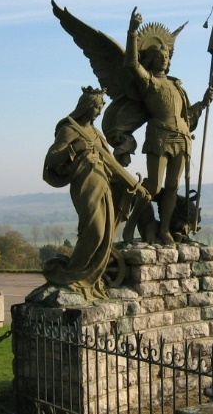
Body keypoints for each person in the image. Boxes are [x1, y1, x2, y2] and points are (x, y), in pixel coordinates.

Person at [121, 7, 213, 246]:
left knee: (172, 187)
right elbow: (131, 63)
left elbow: (186, 117)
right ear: (151, 59)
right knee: (154, 186)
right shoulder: (149, 82)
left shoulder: (177, 86)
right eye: (159, 55)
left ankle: (164, 230)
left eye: (166, 56)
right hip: (160, 136)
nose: (164, 58)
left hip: (182, 138)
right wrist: (132, 32)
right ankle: (131, 225)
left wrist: (203, 103)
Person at [41, 86, 144, 300]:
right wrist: (75, 148)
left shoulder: (96, 133)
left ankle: (88, 279)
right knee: (95, 231)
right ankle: (72, 276)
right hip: (85, 185)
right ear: (86, 106)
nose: (99, 112)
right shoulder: (70, 129)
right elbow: (52, 158)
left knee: (105, 233)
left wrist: (134, 184)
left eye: (101, 108)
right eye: (97, 108)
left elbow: (112, 162)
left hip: (103, 183)